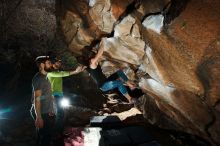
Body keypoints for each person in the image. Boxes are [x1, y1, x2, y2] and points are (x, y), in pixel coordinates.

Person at [47, 58, 86, 140]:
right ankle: (54, 134)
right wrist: (75, 71)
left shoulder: (57, 72)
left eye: (59, 64)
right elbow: (62, 74)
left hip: (59, 95)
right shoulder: (50, 73)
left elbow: (62, 73)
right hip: (53, 96)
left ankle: (59, 133)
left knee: (61, 114)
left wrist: (79, 70)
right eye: (57, 63)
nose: (58, 65)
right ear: (52, 64)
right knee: (59, 114)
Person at [32, 56, 56, 146]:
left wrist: (49, 96)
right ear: (42, 65)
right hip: (42, 112)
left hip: (46, 111)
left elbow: (41, 97)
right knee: (45, 138)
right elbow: (37, 98)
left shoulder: (44, 77)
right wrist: (39, 117)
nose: (51, 65)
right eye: (49, 63)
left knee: (42, 136)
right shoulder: (39, 79)